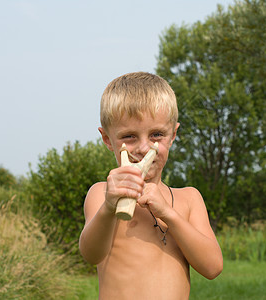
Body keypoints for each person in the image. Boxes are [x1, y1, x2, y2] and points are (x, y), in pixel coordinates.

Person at [79, 72, 223, 299]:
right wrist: (108, 208)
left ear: (173, 134)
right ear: (107, 139)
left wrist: (168, 213)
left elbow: (212, 267)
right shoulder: (102, 193)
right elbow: (91, 253)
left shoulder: (189, 199)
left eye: (156, 134)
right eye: (129, 137)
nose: (144, 148)